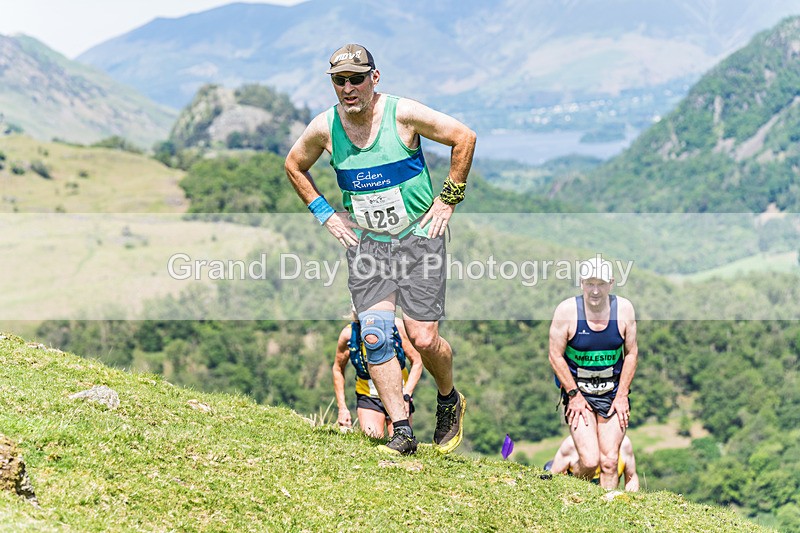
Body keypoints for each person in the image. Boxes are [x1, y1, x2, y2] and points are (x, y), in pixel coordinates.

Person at [285, 43, 476, 455]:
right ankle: (403, 431)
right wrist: (325, 213)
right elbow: (293, 165)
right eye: (340, 81)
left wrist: (448, 198)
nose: (348, 88)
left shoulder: (402, 114)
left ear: (374, 78)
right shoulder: (324, 128)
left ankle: (448, 398)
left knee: (422, 339)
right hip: (368, 244)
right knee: (373, 336)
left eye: (356, 78)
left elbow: (464, 137)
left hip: (419, 239)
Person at [548, 256, 638, 489]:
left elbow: (631, 353)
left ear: (611, 283)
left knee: (609, 461)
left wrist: (622, 395)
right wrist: (574, 395)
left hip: (612, 393)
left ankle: (606, 515)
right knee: (589, 461)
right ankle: (569, 486)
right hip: (579, 393)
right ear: (581, 283)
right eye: (590, 284)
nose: (595, 291)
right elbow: (555, 355)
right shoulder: (567, 311)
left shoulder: (624, 310)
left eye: (600, 284)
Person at [333, 315, 423, 438]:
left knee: (401, 439)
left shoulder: (397, 326)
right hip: (368, 395)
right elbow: (338, 368)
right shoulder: (349, 334)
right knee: (372, 439)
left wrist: (406, 395)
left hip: (398, 394)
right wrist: (342, 408)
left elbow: (417, 361)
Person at [544, 434, 640, 491]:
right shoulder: (571, 445)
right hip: (576, 499)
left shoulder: (624, 444)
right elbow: (553, 479)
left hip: (608, 500)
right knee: (548, 468)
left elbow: (631, 477)